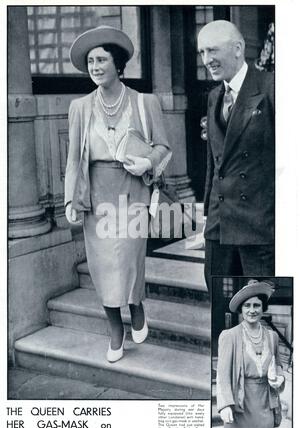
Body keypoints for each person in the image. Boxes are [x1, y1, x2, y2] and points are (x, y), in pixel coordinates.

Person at [64, 25, 171, 363]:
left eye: (101, 60)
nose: (95, 67)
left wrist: (146, 163)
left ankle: (136, 304)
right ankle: (115, 328)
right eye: (91, 62)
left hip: (134, 190)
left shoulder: (144, 102)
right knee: (101, 266)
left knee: (129, 259)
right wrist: (70, 198)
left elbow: (165, 149)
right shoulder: (80, 107)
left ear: (118, 63)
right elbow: (72, 160)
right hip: (96, 193)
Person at [197, 21, 275, 291]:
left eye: (212, 51)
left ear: (238, 49)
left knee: (263, 314)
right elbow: (214, 163)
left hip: (259, 227)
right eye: (202, 53)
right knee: (221, 309)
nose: (207, 60)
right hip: (219, 227)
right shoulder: (214, 95)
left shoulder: (272, 88)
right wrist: (208, 214)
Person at [216, 280, 285, 428]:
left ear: (263, 308)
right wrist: (225, 404)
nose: (252, 310)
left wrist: (279, 377)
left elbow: (279, 366)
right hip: (239, 405)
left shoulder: (272, 336)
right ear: (241, 308)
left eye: (256, 305)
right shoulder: (230, 336)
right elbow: (222, 374)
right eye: (247, 306)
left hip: (265, 405)